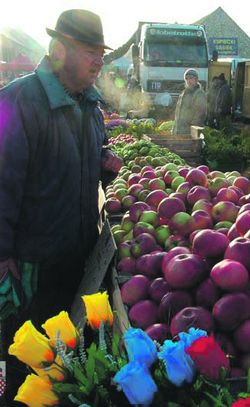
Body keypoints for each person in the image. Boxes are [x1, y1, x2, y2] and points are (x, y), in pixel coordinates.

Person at [0, 9, 122, 401]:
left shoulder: (90, 105)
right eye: (90, 51)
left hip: (76, 259)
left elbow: (81, 173)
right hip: (32, 265)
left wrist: (105, 169)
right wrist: (2, 255)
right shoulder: (19, 101)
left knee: (64, 363)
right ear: (59, 50)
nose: (99, 60)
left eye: (101, 52)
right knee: (23, 362)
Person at [172, 68, 207, 135]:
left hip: (189, 133)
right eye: (186, 79)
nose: (188, 81)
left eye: (191, 78)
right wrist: (174, 129)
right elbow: (177, 113)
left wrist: (192, 131)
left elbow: (200, 115)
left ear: (196, 79)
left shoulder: (199, 94)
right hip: (179, 132)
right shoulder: (183, 93)